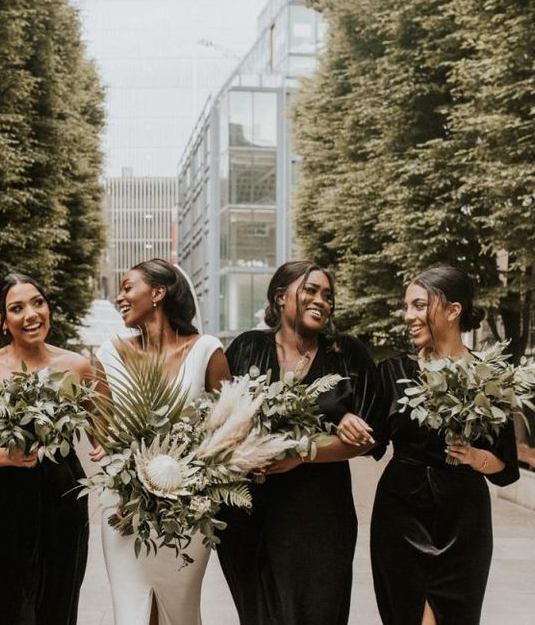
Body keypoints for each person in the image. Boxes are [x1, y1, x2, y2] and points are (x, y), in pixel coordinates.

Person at [217, 259, 384, 624]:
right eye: (311, 290)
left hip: (320, 516)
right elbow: (217, 420)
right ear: (280, 297)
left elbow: (370, 439)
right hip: (249, 513)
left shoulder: (347, 353)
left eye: (328, 295)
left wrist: (301, 453)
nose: (322, 301)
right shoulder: (246, 348)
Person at [371, 266, 519, 625]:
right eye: (407, 307)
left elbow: (505, 465)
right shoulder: (393, 371)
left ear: (453, 310)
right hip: (401, 513)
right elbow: (369, 438)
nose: (409, 316)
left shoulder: (490, 375)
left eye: (419, 305)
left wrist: (476, 457)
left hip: (463, 521)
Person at [0, 274, 99, 625]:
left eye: (37, 302)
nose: (31, 314)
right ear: (2, 321)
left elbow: (104, 439)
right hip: (3, 500)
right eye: (16, 308)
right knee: (6, 606)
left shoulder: (77, 366)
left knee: (59, 604)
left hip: (64, 496)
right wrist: (7, 456)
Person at [96, 258, 230, 625]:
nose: (120, 297)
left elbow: (225, 432)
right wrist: (117, 468)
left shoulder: (207, 350)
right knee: (131, 613)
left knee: (181, 612)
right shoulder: (109, 354)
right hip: (123, 505)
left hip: (187, 510)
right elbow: (103, 434)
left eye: (127, 288)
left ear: (157, 293)